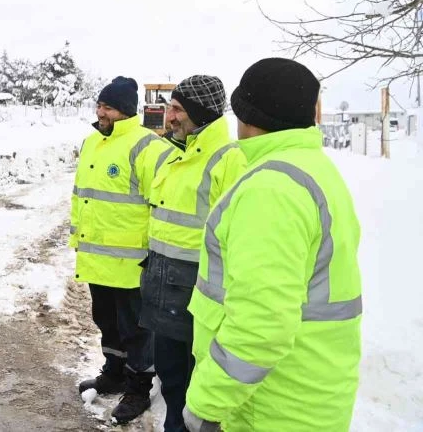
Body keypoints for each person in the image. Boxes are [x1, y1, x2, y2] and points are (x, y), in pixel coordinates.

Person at [182, 58, 363, 432]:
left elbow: (262, 324)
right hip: (305, 396)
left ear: (244, 115)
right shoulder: (312, 169)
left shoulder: (271, 189)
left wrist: (207, 403)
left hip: (267, 407)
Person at [140, 75, 245, 432]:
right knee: (171, 377)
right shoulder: (173, 156)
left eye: (178, 109)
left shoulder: (229, 161)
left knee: (191, 386)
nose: (169, 117)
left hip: (196, 297)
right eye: (170, 107)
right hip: (163, 287)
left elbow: (237, 240)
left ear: (201, 113)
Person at [71, 76, 173, 424]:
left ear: (126, 112)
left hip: (133, 262)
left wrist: (154, 254)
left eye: (109, 107)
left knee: (137, 330)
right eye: (99, 105)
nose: (101, 112)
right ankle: (113, 372)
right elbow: (82, 197)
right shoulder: (91, 143)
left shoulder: (148, 147)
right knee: (107, 322)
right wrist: (78, 240)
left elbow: (160, 205)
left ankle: (138, 388)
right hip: (97, 259)